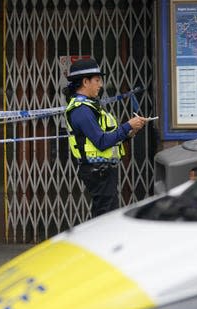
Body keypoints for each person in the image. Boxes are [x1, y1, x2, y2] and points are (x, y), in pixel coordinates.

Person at [63, 58, 147, 218]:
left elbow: (108, 138)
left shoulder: (91, 106)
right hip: (97, 172)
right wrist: (127, 125)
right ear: (85, 82)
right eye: (97, 80)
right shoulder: (81, 110)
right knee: (105, 217)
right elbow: (101, 142)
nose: (100, 84)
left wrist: (130, 132)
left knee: (106, 216)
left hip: (103, 170)